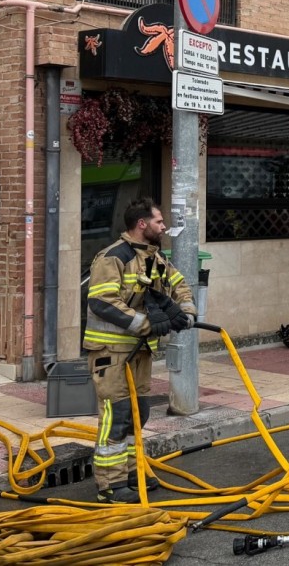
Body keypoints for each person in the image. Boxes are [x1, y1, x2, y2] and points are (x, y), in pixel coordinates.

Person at [84, 197, 194, 503]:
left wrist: (187, 313)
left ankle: (132, 473)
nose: (164, 226)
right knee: (117, 415)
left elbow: (180, 285)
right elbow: (102, 301)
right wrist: (145, 324)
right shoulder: (113, 257)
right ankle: (110, 485)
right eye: (159, 221)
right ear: (142, 224)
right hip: (111, 352)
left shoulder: (155, 258)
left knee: (138, 413)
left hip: (140, 351)